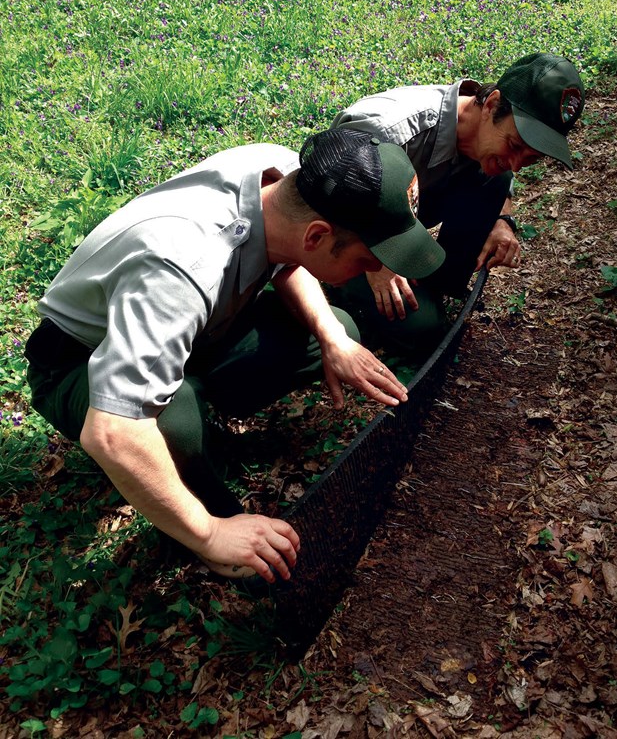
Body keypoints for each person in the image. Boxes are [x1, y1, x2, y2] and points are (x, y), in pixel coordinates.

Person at [24, 129, 444, 584]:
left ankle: (203, 422)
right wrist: (209, 533)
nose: (375, 270)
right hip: (77, 361)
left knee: (335, 329)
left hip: (197, 330)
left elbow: (287, 258)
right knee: (170, 416)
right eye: (368, 259)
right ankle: (199, 514)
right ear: (319, 235)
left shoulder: (285, 178)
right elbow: (112, 431)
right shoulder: (182, 268)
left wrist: (330, 338)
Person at [330, 52, 585, 353]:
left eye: (530, 159)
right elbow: (324, 202)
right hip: (345, 228)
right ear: (491, 105)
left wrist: (501, 220)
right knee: (423, 331)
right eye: (514, 146)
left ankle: (434, 285)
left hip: (399, 214)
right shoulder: (388, 131)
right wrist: (376, 265)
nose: (517, 165)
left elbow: (503, 175)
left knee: (497, 177)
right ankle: (344, 291)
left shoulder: (486, 137)